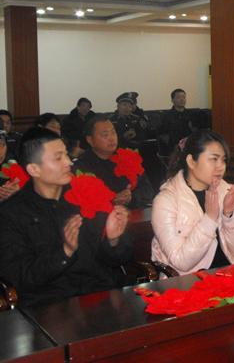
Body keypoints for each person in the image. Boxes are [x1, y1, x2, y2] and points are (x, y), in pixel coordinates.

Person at [0, 128, 132, 307]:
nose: (69, 162)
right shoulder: (11, 213)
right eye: (58, 158)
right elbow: (20, 277)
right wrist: (64, 252)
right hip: (50, 304)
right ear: (34, 169)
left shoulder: (86, 194)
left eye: (66, 155)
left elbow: (121, 260)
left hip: (99, 293)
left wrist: (113, 240)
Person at [151, 130, 234, 275]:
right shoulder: (166, 201)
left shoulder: (227, 192)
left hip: (230, 276)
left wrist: (229, 215)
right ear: (191, 161)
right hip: (189, 281)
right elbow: (181, 262)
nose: (221, 166)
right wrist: (209, 219)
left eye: (223, 160)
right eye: (214, 159)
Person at [76, 116, 156, 209]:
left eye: (113, 132)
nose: (112, 138)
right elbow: (83, 201)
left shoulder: (127, 158)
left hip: (133, 213)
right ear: (90, 140)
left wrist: (132, 198)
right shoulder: (81, 166)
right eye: (105, 135)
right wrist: (112, 201)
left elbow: (148, 191)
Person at [158, 88, 195, 156]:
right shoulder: (166, 116)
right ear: (172, 100)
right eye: (178, 97)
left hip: (190, 146)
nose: (182, 99)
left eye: (184, 97)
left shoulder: (191, 114)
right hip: (174, 148)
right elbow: (163, 134)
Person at [0, 130, 20, 201]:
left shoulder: (10, 163)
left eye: (2, 145)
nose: (1, 150)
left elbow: (24, 185)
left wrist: (17, 189)